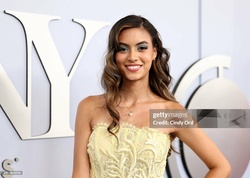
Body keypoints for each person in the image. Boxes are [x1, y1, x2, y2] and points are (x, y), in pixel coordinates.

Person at [72, 15, 231, 178]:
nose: (132, 56)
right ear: (114, 55)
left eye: (141, 48)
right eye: (123, 48)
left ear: (154, 52)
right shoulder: (90, 107)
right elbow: (79, 174)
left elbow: (220, 166)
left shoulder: (167, 114)